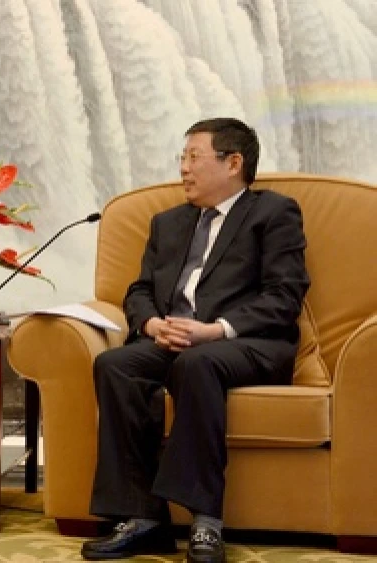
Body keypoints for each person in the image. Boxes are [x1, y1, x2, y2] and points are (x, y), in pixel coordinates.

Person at [80, 117, 309, 563]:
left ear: (233, 163)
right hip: (173, 340)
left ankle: (206, 520)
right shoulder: (167, 223)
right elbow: (139, 290)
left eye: (193, 157)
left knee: (198, 363)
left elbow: (284, 296)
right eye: (182, 158)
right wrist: (151, 326)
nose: (183, 168)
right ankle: (142, 518)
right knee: (115, 365)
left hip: (249, 343)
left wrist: (214, 330)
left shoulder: (274, 213)